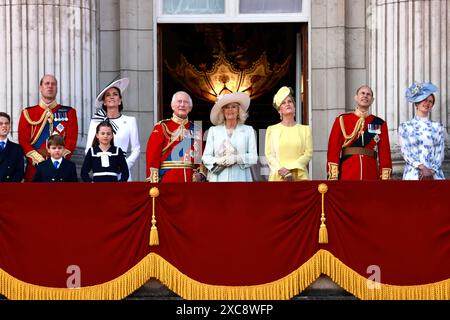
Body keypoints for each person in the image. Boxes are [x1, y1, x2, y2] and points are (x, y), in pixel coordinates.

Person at [18, 74, 78, 181]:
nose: (50, 86)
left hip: (61, 172)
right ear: (40, 88)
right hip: (35, 170)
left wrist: (56, 160)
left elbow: (71, 141)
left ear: (57, 88)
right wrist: (41, 162)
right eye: (47, 83)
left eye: (53, 84)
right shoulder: (28, 113)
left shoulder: (69, 112)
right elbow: (23, 142)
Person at [327, 85, 392, 180]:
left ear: (372, 100)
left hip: (370, 171)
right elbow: (334, 148)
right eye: (362, 93)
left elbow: (384, 152)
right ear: (356, 98)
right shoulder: (342, 120)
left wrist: (385, 177)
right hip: (348, 170)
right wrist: (333, 176)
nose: (365, 96)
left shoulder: (379, 123)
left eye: (368, 94)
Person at [85, 78, 140, 180]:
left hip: (123, 174)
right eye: (108, 95)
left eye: (115, 94)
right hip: (101, 174)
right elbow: (89, 149)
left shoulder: (130, 121)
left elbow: (136, 149)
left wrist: (124, 165)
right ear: (104, 102)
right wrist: (97, 167)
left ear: (120, 100)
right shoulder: (96, 121)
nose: (111, 97)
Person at [145, 91, 206, 182]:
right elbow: (152, 155)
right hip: (168, 178)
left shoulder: (196, 129)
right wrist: (153, 181)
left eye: (186, 102)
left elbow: (199, 159)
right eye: (179, 101)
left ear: (190, 108)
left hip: (190, 180)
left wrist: (200, 175)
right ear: (172, 106)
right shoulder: (162, 126)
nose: (182, 105)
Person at [202, 92, 257, 182]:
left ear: (239, 110)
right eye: (227, 107)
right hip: (218, 179)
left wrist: (236, 159)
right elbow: (206, 157)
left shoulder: (248, 130)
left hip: (241, 178)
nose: (230, 110)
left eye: (234, 106)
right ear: (222, 111)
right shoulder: (213, 131)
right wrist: (219, 160)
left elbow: (253, 157)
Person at [399, 82, 446, 180]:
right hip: (413, 173)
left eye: (430, 101)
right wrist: (422, 167)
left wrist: (431, 171)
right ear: (416, 103)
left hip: (434, 174)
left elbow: (440, 152)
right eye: (424, 100)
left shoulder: (438, 127)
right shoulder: (405, 126)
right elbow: (405, 151)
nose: (427, 103)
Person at [265, 86, 313, 181]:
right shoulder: (272, 129)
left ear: (294, 107)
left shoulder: (305, 129)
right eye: (283, 103)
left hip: (300, 176)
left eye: (290, 101)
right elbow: (269, 155)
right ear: (279, 110)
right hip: (278, 176)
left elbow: (308, 154)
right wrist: (282, 170)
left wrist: (290, 168)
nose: (287, 104)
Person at [0, 112, 24, 182]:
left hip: (10, 189)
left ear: (9, 126)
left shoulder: (17, 149)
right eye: (0, 123)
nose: (4, 126)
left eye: (6, 123)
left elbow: (19, 172)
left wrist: (9, 187)